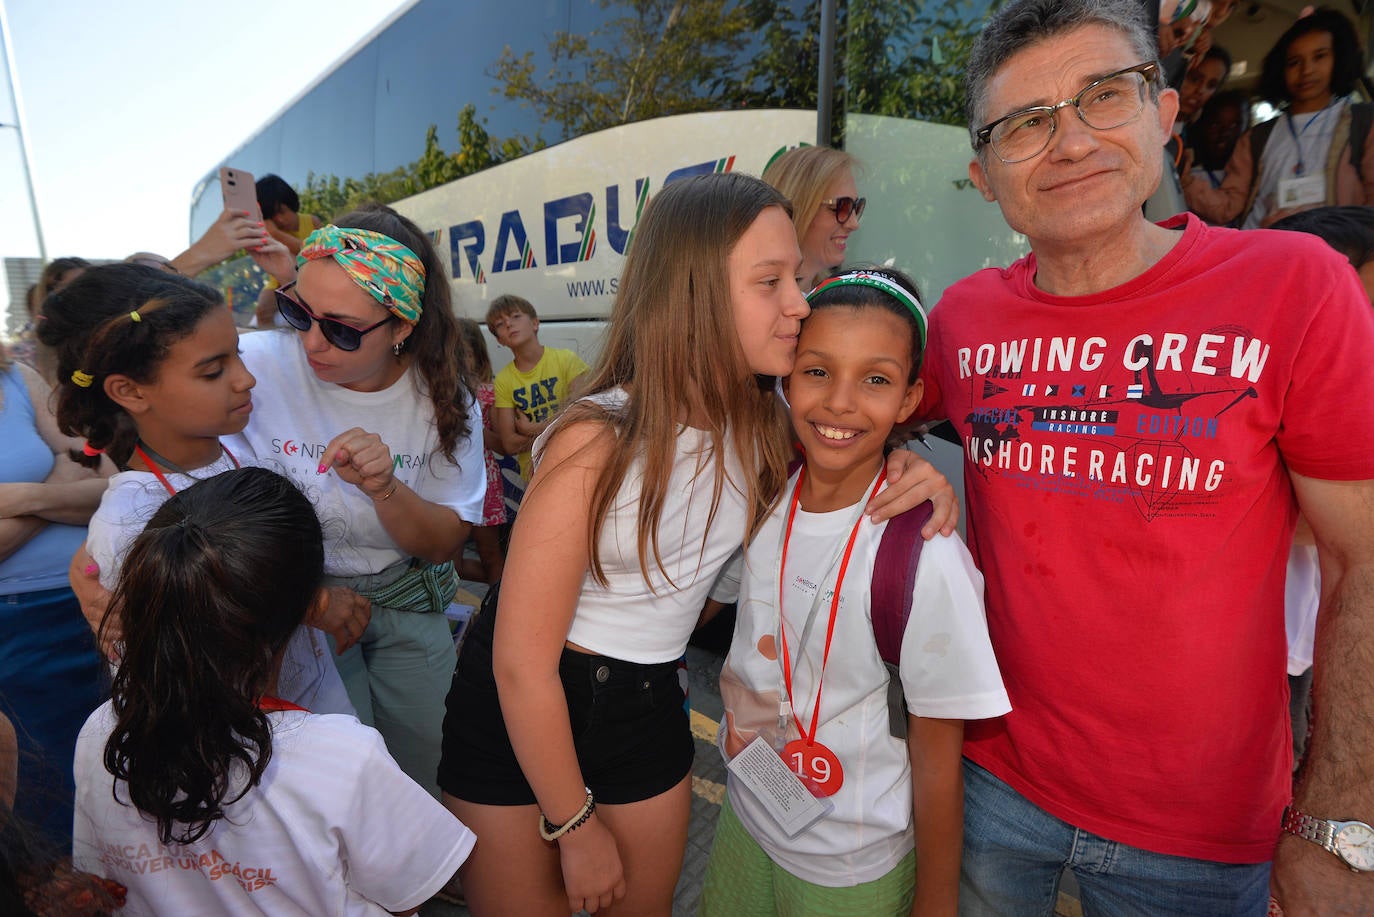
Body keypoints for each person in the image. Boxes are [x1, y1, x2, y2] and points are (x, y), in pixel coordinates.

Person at [930, 0, 1374, 911]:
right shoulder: (960, 321)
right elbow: (841, 416)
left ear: (1164, 118)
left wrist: (1339, 820)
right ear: (982, 173)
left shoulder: (1296, 287)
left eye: (1103, 96)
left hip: (1202, 836)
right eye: (1026, 123)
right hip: (990, 788)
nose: (1070, 143)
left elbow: (1361, 557)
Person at [438, 173, 958, 917]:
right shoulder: (597, 437)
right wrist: (575, 826)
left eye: (799, 279)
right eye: (771, 281)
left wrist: (912, 475)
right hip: (520, 701)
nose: (799, 304)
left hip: (647, 703)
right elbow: (521, 661)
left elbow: (851, 450)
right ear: (694, 293)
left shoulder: (766, 424)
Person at [699, 268, 1010, 917]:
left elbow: (937, 752)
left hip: (850, 868)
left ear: (908, 397)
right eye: (817, 370)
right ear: (787, 375)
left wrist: (936, 900)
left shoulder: (925, 552)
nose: (840, 402)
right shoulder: (766, 494)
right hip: (748, 810)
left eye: (875, 378)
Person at [71, 468, 475, 916]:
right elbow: (406, 897)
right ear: (309, 607)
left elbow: (103, 885)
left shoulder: (102, 731)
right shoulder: (343, 756)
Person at [229, 203, 487, 797]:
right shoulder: (254, 369)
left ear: (402, 328)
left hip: (403, 602)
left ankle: (432, 877)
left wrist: (384, 488)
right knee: (335, 776)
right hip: (297, 607)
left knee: (433, 757)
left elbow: (446, 543)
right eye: (299, 312)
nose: (313, 344)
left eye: (342, 329)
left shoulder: (443, 400)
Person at [40, 263, 355, 718]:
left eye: (238, 354)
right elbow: (183, 668)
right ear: (129, 391)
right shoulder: (128, 525)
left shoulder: (240, 450)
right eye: (212, 371)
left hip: (315, 711)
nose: (246, 379)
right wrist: (311, 603)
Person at [0, 341, 109, 845]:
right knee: (47, 790)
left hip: (98, 596)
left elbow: (106, 479)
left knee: (121, 767)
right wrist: (58, 489)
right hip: (17, 626)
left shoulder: (15, 375)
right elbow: (78, 473)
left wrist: (26, 497)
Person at [1183, 8, 1374, 228]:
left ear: (1339, 59)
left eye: (1319, 57)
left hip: (1333, 255)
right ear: (1280, 69)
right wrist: (1185, 181)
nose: (1307, 70)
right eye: (1294, 62)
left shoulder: (1363, 122)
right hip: (1265, 253)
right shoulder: (1257, 138)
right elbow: (1228, 206)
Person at [486, 294, 589, 488]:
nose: (509, 324)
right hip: (535, 474)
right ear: (500, 340)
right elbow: (509, 444)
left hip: (575, 462)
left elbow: (580, 417)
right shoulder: (503, 380)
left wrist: (531, 430)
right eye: (500, 324)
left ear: (535, 323)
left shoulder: (567, 360)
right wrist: (556, 428)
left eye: (516, 316)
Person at [761, 146, 865, 289]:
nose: (853, 224)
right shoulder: (753, 305)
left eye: (856, 206)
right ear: (797, 207)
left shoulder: (828, 298)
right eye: (841, 207)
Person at [454, 317, 507, 584]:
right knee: (451, 565)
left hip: (484, 483)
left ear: (478, 354)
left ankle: (498, 609)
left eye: (463, 353)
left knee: (491, 556)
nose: (458, 360)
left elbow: (502, 444)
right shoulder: (438, 394)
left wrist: (474, 430)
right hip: (449, 483)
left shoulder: (490, 393)